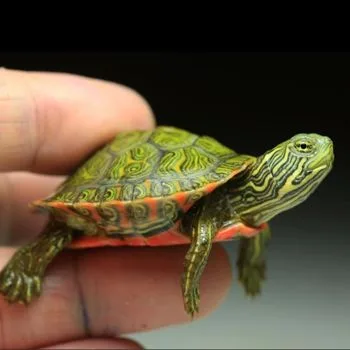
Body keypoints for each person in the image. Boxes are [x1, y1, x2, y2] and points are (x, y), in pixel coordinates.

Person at [0, 68, 231, 349]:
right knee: (63, 228)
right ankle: (26, 266)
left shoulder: (236, 205)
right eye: (302, 149)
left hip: (157, 209)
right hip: (111, 194)